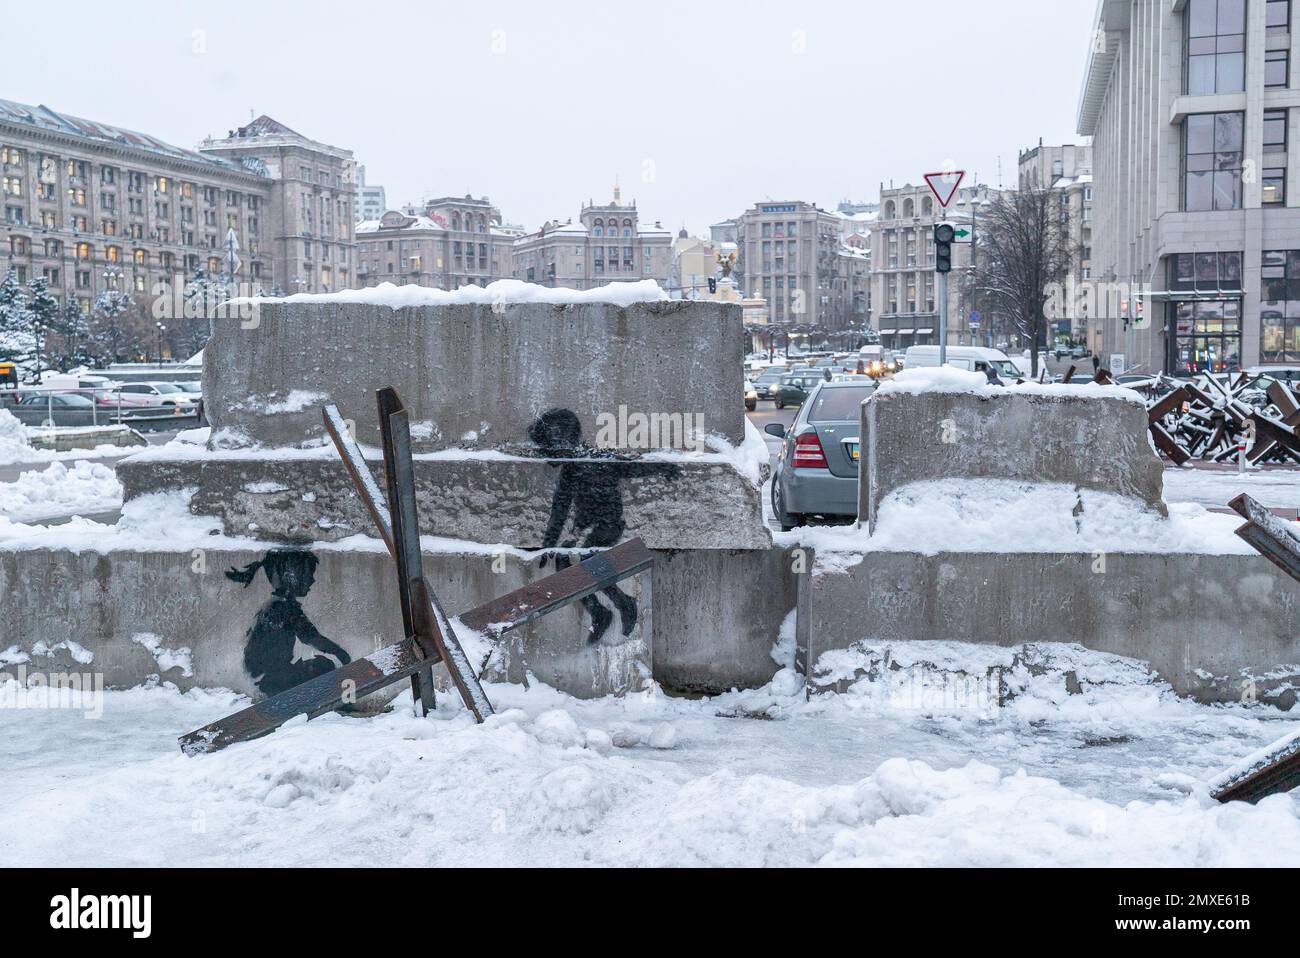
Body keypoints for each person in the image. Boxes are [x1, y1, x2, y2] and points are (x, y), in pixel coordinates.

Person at [226, 550, 351, 696]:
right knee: (324, 669)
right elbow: (310, 637)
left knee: (321, 667)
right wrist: (340, 653)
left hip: (268, 676)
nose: (312, 580)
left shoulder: (276, 604)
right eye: (308, 575)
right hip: (272, 680)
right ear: (292, 577)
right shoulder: (284, 608)